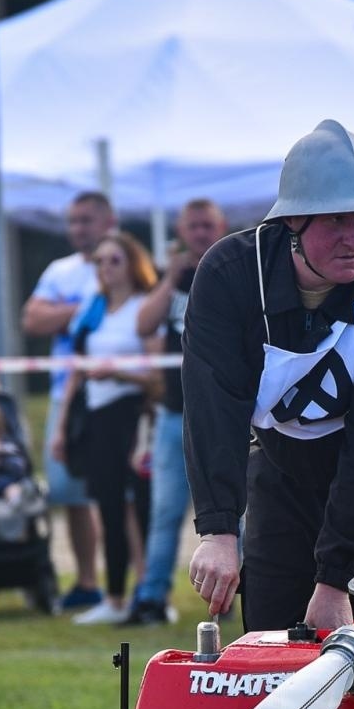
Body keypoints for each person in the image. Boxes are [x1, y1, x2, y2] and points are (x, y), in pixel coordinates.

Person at [183, 118, 354, 632]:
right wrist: (218, 529)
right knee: (272, 643)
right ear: (294, 221)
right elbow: (212, 406)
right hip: (287, 468)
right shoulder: (230, 276)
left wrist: (336, 579)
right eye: (336, 220)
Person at [127, 198, 228, 626]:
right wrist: (169, 277)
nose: (201, 233)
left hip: (225, 416)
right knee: (164, 511)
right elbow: (143, 324)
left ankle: (231, 598)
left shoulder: (232, 272)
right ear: (180, 231)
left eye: (207, 226)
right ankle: (151, 598)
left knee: (231, 513)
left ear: (220, 228)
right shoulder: (175, 277)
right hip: (174, 414)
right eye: (193, 226)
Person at [53, 232, 156, 625]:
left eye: (114, 260)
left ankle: (139, 592)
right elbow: (75, 372)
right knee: (108, 507)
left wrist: (121, 372)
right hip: (96, 417)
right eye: (100, 261)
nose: (106, 268)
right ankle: (114, 597)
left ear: (132, 263)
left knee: (136, 508)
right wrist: (61, 426)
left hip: (131, 415)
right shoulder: (92, 309)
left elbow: (157, 376)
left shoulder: (144, 308)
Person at [22, 191, 114, 611]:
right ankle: (87, 580)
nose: (79, 229)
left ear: (107, 221)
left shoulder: (123, 261)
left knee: (123, 497)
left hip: (118, 394)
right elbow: (33, 319)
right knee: (70, 493)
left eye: (87, 220)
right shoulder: (61, 271)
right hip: (67, 394)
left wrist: (67, 312)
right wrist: (84, 309)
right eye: (73, 221)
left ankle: (127, 586)